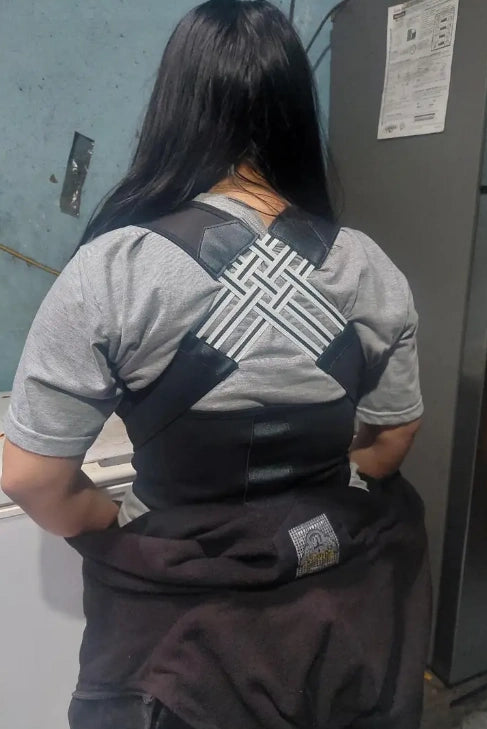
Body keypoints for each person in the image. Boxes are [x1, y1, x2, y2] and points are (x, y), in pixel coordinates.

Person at [1, 2, 430, 728]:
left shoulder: (113, 268)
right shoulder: (368, 267)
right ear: (297, 112)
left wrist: (116, 523)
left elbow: (29, 477)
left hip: (180, 638)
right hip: (328, 611)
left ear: (174, 109)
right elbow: (391, 443)